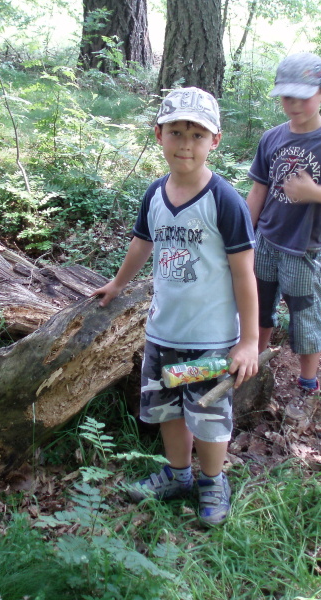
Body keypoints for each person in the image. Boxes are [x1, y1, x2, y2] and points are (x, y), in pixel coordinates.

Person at [92, 87, 259, 526]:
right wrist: (117, 284)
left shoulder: (224, 201)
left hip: (211, 339)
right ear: (159, 135)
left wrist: (249, 340)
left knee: (207, 414)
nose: (186, 144)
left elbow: (244, 274)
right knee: (168, 409)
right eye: (177, 132)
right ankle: (178, 474)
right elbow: (141, 243)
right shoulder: (154, 194)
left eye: (197, 135)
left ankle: (212, 481)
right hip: (164, 332)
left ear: (214, 141)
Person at [246, 52, 321, 426]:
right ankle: (255, 365)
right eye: (287, 97)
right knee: (258, 306)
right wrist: (245, 237)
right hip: (266, 240)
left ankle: (308, 384)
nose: (294, 104)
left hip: (304, 248)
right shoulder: (272, 138)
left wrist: (314, 192)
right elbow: (258, 191)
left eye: (303, 96)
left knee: (303, 315)